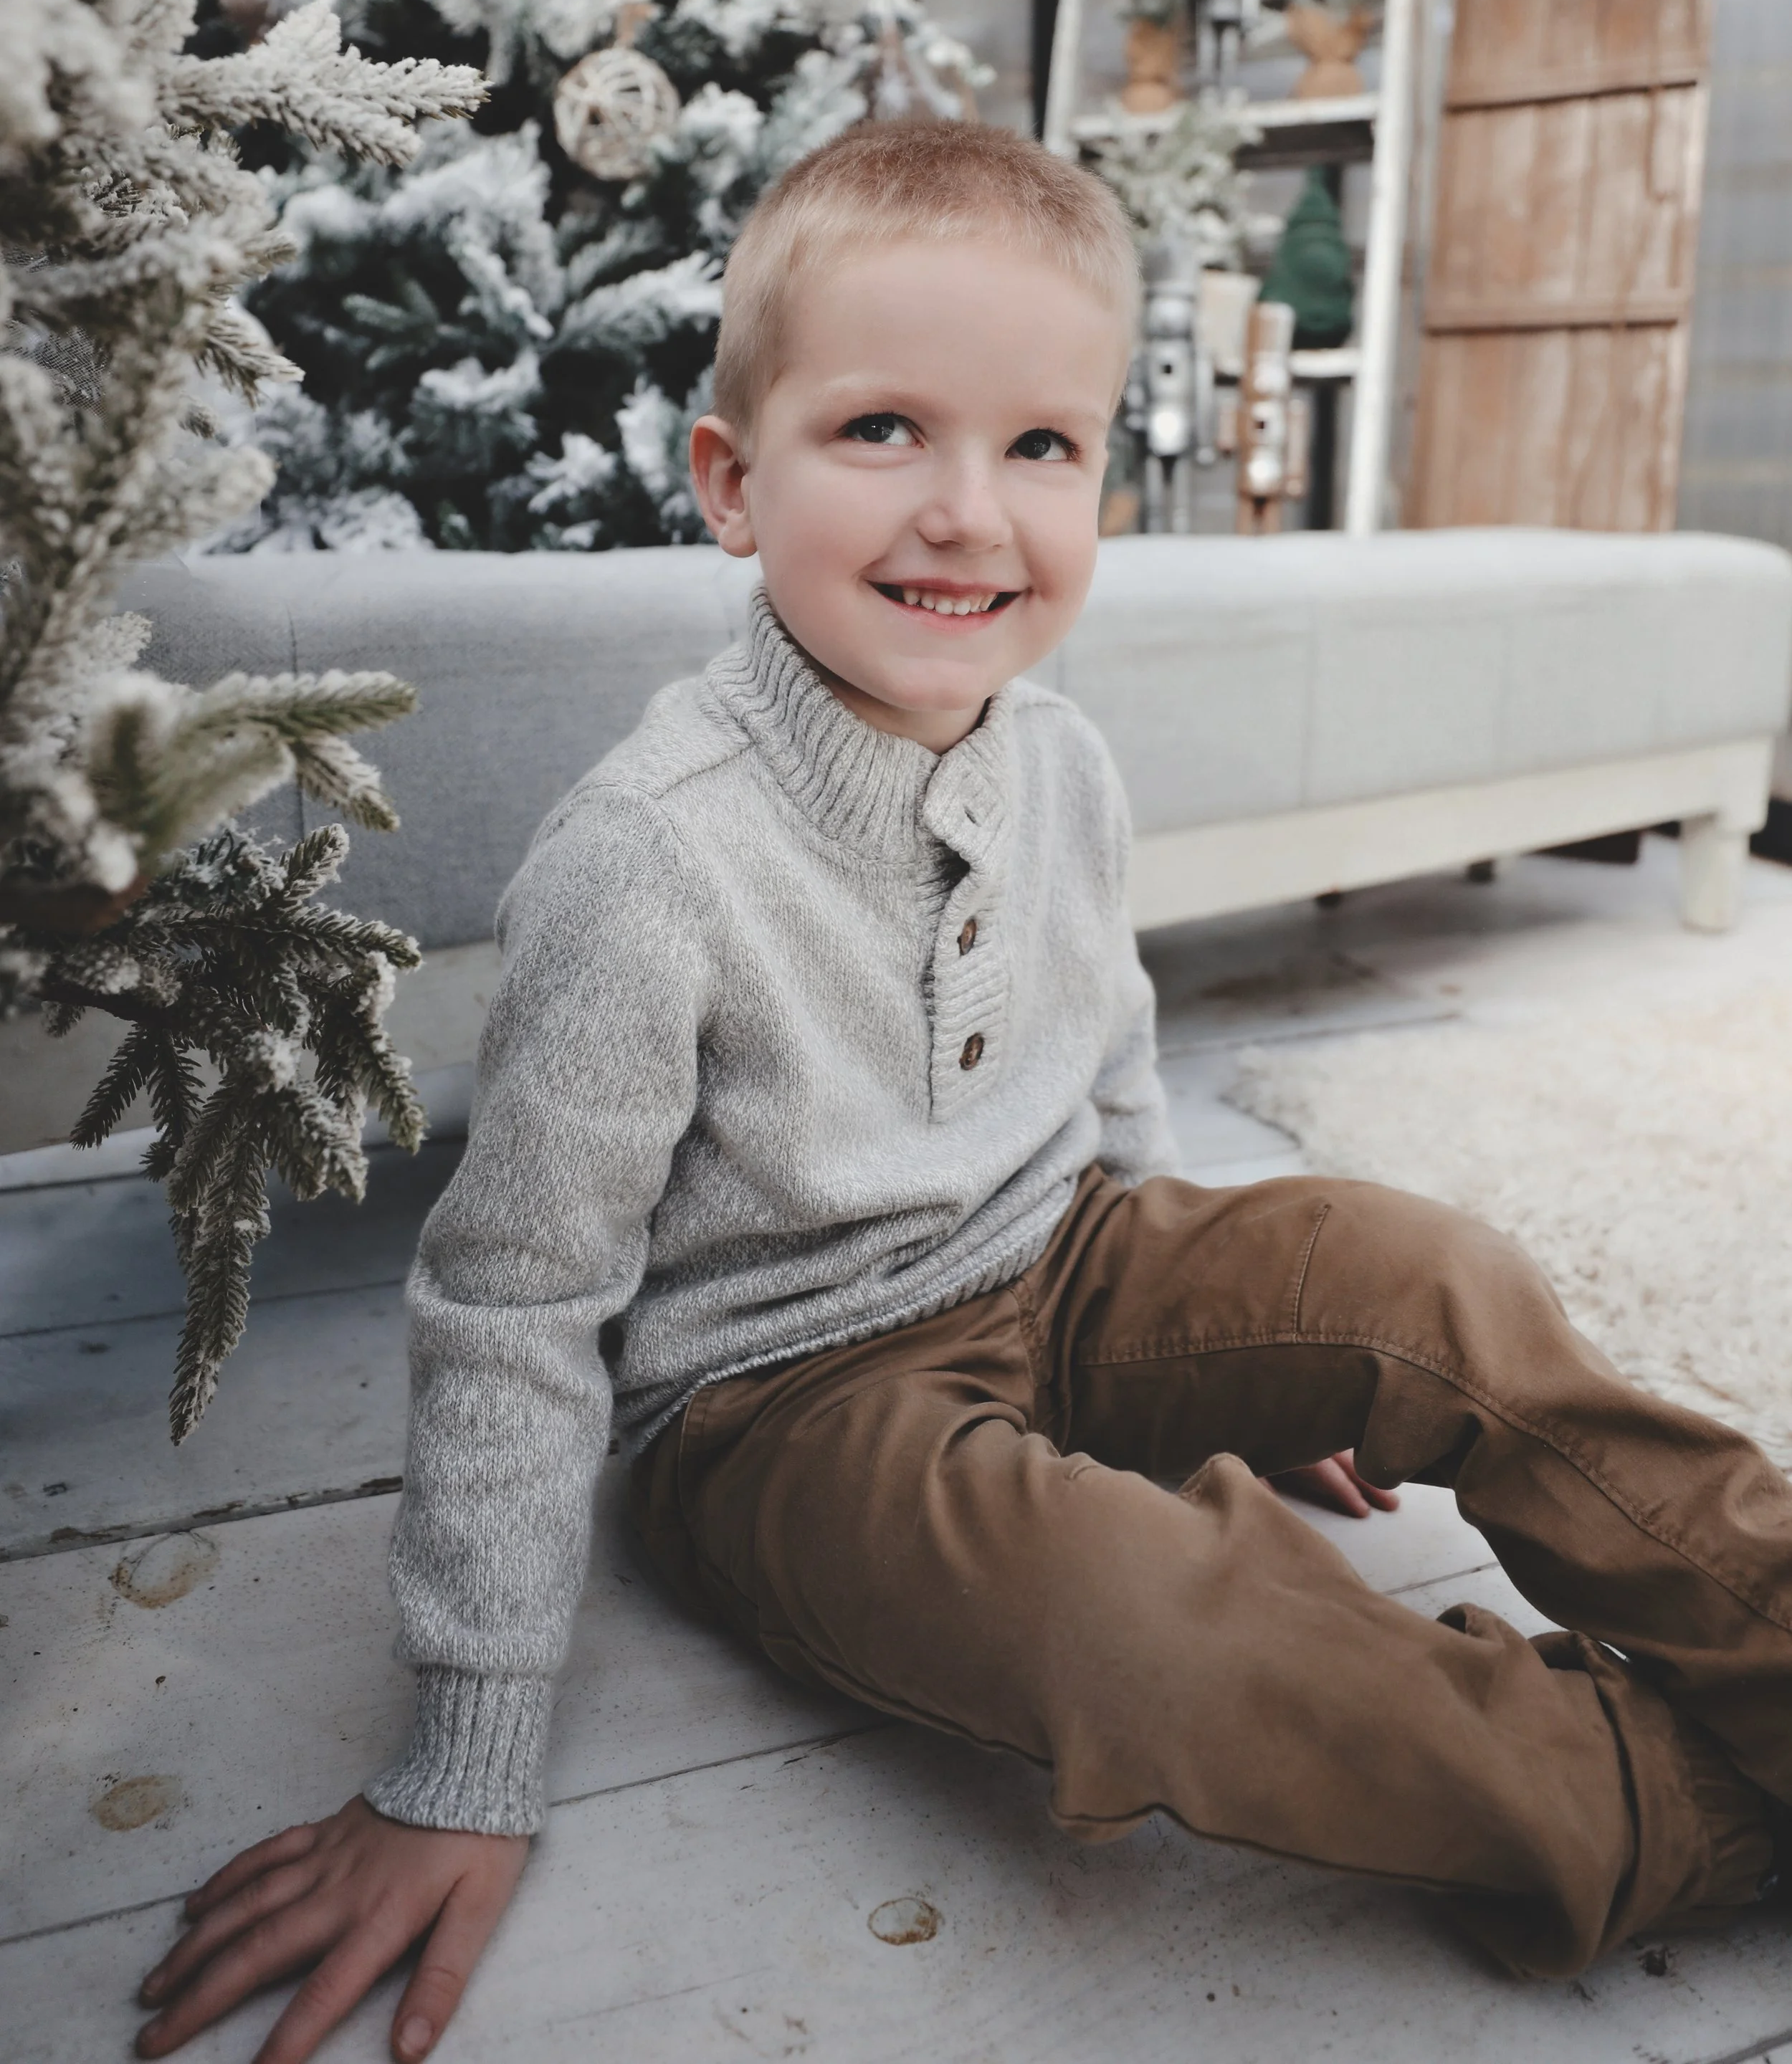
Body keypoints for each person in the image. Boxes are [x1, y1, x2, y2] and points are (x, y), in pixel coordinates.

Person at [135, 119, 1791, 2064]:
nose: (967, 515)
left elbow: (1102, 1031)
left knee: (1426, 1278)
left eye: (1038, 449)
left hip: (1066, 1256)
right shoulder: (644, 862)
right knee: (1144, 1625)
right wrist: (460, 1755)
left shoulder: (1057, 752)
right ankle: (1663, 1813)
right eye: (880, 431)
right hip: (787, 1403)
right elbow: (510, 1312)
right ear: (733, 483)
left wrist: (1236, 1327)